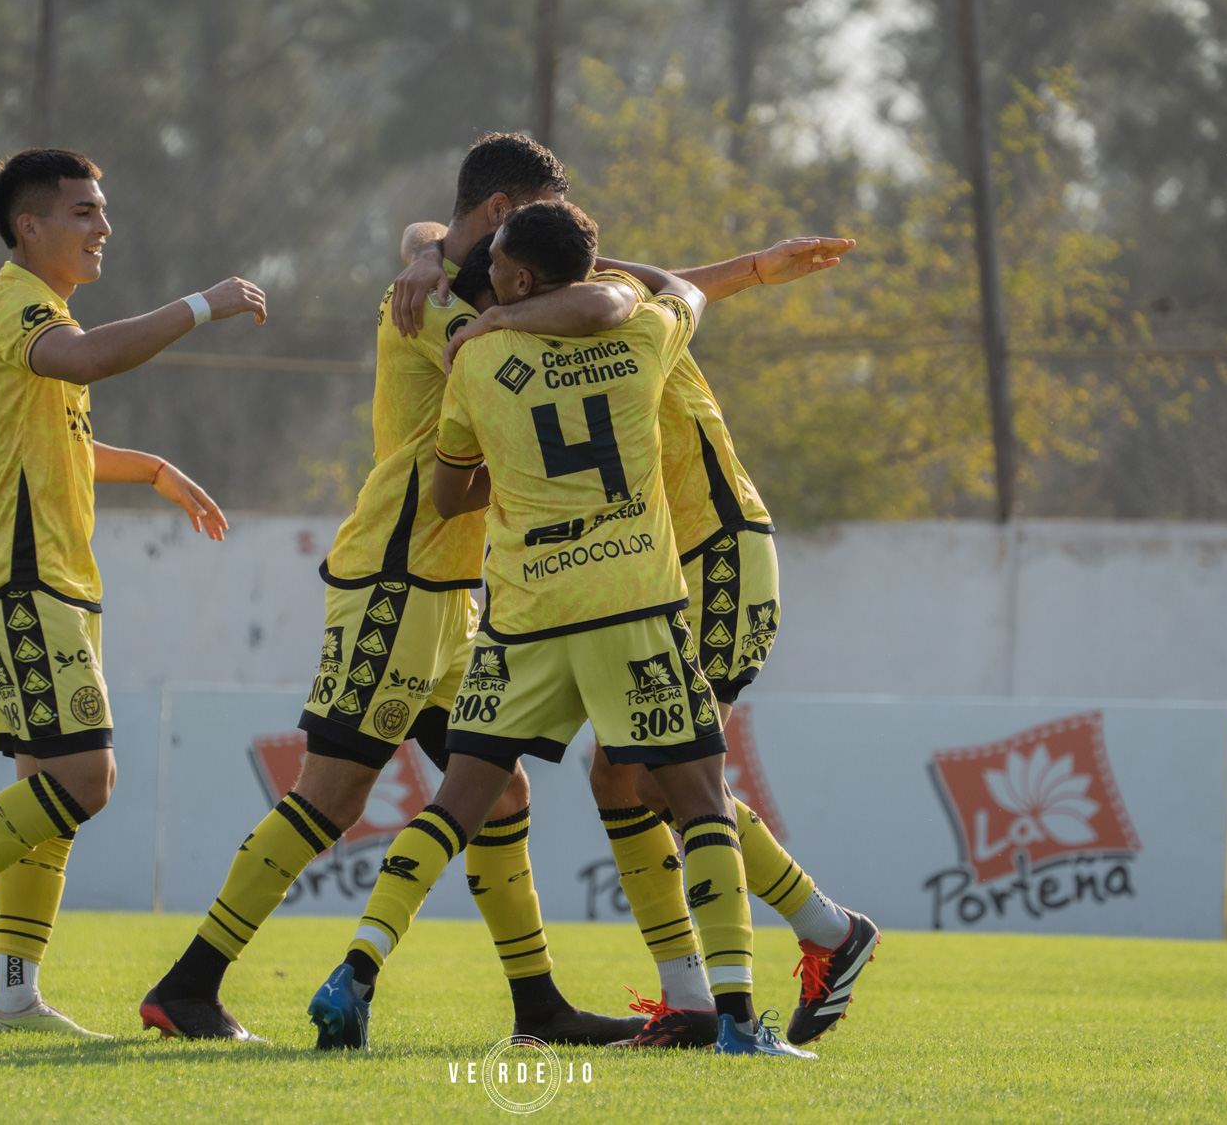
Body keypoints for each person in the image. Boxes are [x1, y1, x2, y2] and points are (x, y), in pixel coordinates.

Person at [140, 134, 645, 1048]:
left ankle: (538, 1006)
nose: (526, 249)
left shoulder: (446, 272)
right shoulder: (451, 311)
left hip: (451, 588)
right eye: (522, 222)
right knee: (333, 794)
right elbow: (582, 314)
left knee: (501, 795)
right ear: (498, 219)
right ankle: (189, 984)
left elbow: (445, 238)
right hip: (397, 577)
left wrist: (424, 247)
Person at [307, 200, 809, 1057]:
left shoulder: (476, 356)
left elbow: (452, 493)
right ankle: (734, 1021)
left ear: (518, 278)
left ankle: (354, 970)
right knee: (696, 801)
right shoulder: (646, 335)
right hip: (633, 607)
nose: (485, 272)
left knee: (457, 801)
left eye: (497, 262)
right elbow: (676, 288)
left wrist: (511, 409)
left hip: (526, 614)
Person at [409, 227, 878, 1048]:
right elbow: (431, 238)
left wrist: (755, 271)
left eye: (494, 270)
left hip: (713, 549)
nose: (482, 278)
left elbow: (629, 290)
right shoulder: (563, 301)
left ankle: (821, 935)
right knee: (620, 781)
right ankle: (696, 1002)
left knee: (670, 780)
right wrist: (421, 257)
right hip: (639, 569)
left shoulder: (607, 308)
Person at [0, 148, 268, 1036]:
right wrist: (202, 303)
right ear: (27, 226)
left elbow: (58, 436)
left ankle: (12, 993)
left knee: (48, 784)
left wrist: (151, 468)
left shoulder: (33, 315)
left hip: (50, 581)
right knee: (87, 778)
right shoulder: (17, 305)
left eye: (103, 210)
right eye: (83, 211)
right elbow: (81, 364)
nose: (103, 226)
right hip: (21, 580)